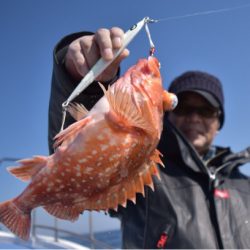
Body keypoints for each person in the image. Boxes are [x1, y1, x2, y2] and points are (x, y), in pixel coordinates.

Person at [48, 27, 250, 249]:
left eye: (206, 111)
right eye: (182, 107)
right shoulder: (144, 172)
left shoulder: (244, 184)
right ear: (165, 112)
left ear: (219, 122)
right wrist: (82, 82)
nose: (194, 118)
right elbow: (83, 164)